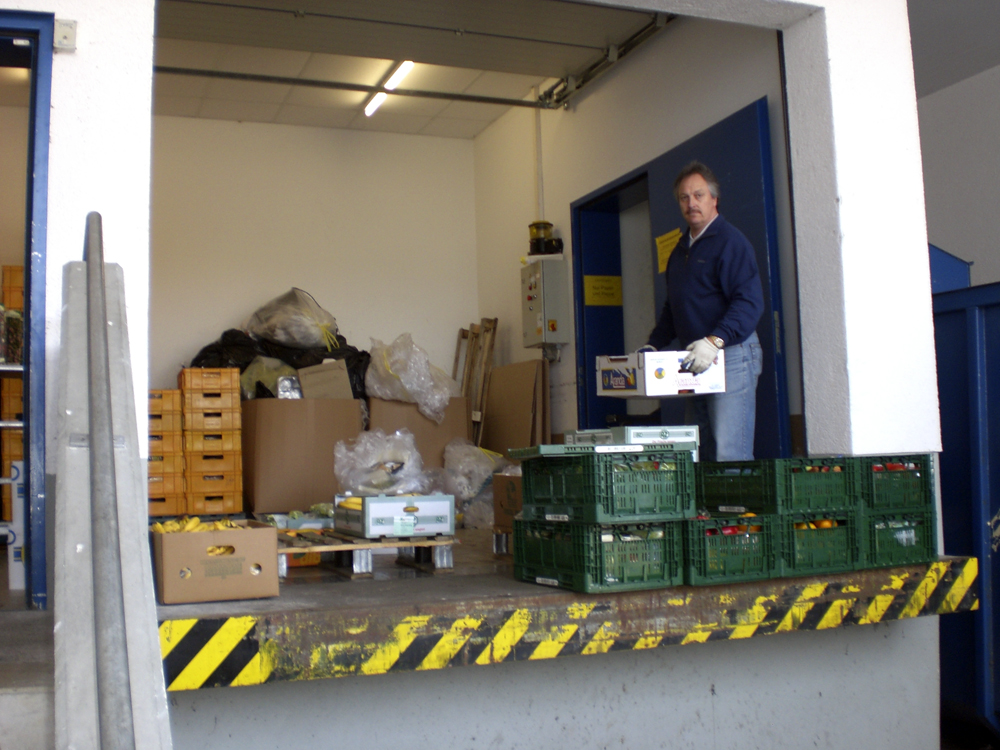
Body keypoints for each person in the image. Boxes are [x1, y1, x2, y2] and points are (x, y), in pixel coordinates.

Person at [642, 161, 764, 462]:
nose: (691, 203)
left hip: (731, 355)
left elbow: (748, 303)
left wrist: (715, 341)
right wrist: (653, 345)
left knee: (728, 452)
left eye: (698, 195)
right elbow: (675, 307)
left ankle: (735, 496)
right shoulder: (680, 251)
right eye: (684, 198)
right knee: (699, 450)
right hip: (696, 360)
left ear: (714, 199)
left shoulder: (731, 242)